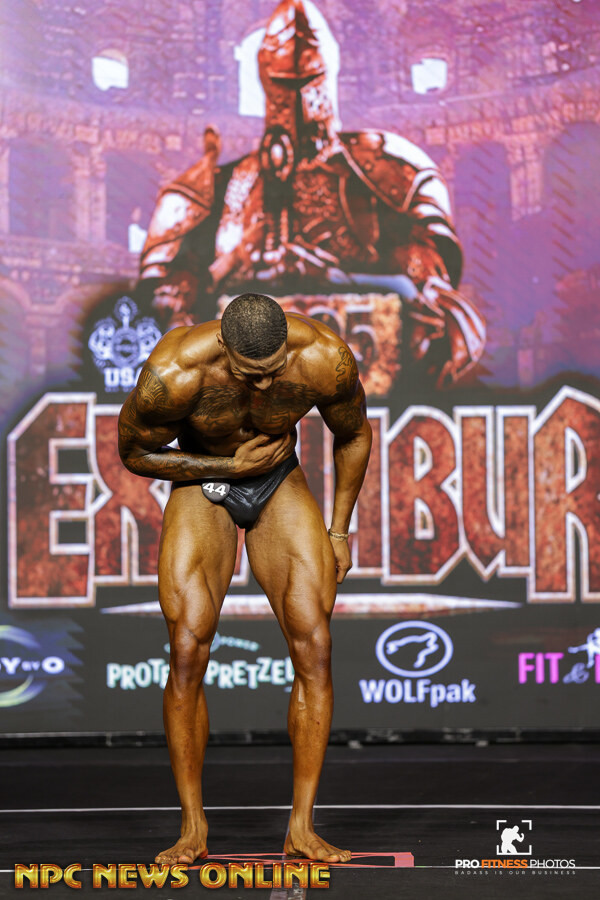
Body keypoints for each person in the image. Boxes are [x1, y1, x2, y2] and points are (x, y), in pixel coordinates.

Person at [118, 292, 372, 864]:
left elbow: (354, 433)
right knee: (188, 645)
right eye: (249, 374)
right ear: (223, 347)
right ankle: (192, 828)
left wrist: (338, 530)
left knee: (315, 643)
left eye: (274, 371)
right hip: (203, 480)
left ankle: (302, 827)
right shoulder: (174, 371)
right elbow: (133, 452)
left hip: (278, 479)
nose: (264, 385)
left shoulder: (325, 357)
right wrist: (227, 467)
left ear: (286, 346)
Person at [138, 0, 485, 389]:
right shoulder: (221, 185)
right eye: (285, 84)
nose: (298, 99)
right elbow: (167, 303)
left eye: (308, 81)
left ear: (328, 73)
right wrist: (214, 276)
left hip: (366, 383)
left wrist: (347, 277)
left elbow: (433, 292)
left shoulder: (390, 170)